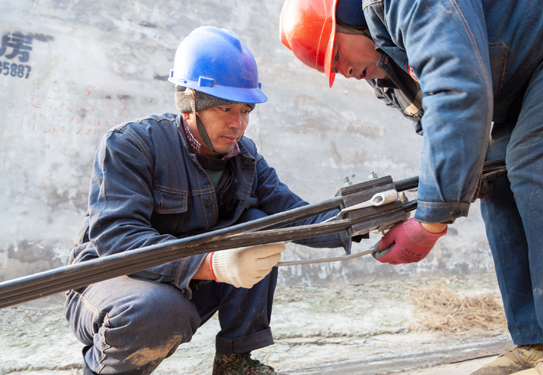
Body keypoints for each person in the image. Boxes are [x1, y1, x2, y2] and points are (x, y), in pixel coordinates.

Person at [279, 0, 543, 374]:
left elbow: (456, 91)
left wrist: (429, 221)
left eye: (337, 56)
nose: (345, 73)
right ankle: (542, 342)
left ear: (352, 22)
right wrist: (461, 177)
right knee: (495, 175)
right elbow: (436, 119)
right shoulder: (385, 70)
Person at [65, 26, 350, 375]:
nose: (238, 124)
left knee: (258, 225)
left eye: (245, 110)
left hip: (182, 284)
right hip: (108, 286)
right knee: (160, 311)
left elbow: (294, 215)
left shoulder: (245, 158)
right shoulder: (132, 146)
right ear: (189, 105)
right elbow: (117, 240)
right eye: (224, 108)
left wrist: (363, 220)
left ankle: (234, 362)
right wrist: (212, 265)